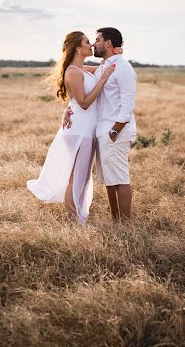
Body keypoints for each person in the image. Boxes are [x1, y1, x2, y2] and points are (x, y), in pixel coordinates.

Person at [26, 31, 117, 225]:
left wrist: (117, 50)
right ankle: (73, 222)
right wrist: (101, 81)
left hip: (85, 129)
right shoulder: (72, 72)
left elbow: (105, 65)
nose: (91, 44)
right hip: (79, 131)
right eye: (86, 42)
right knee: (76, 179)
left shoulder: (82, 69)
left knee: (81, 178)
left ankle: (76, 220)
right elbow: (83, 103)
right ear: (78, 48)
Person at [63, 27, 137, 221]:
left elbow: (128, 104)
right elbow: (77, 71)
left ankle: (126, 226)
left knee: (120, 179)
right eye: (90, 41)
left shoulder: (122, 68)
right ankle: (116, 222)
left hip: (115, 131)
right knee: (110, 181)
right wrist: (70, 107)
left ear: (108, 43)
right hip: (102, 131)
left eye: (96, 40)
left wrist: (115, 131)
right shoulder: (105, 67)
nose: (94, 44)